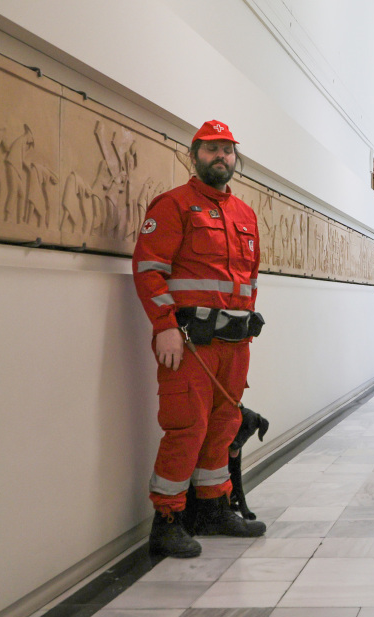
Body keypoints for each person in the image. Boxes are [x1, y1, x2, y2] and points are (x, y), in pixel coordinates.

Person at [132, 119, 267, 558]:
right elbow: (149, 269)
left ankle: (212, 509)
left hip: (234, 344)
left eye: (227, 149)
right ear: (194, 155)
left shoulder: (245, 215)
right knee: (186, 427)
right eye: (211, 149)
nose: (220, 157)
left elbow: (249, 279)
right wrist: (165, 325)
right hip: (189, 342)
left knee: (224, 427)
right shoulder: (173, 205)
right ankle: (168, 520)